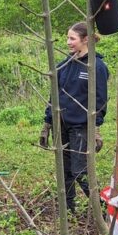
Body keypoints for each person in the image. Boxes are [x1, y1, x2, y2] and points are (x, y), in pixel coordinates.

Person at [40, 21, 109, 213]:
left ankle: (102, 210)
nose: (68, 42)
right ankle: (68, 210)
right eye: (67, 38)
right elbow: (55, 95)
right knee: (65, 171)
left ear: (85, 40)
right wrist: (47, 122)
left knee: (80, 170)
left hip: (81, 126)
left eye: (72, 38)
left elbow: (100, 100)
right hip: (61, 124)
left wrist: (95, 128)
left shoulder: (97, 67)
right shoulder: (65, 64)